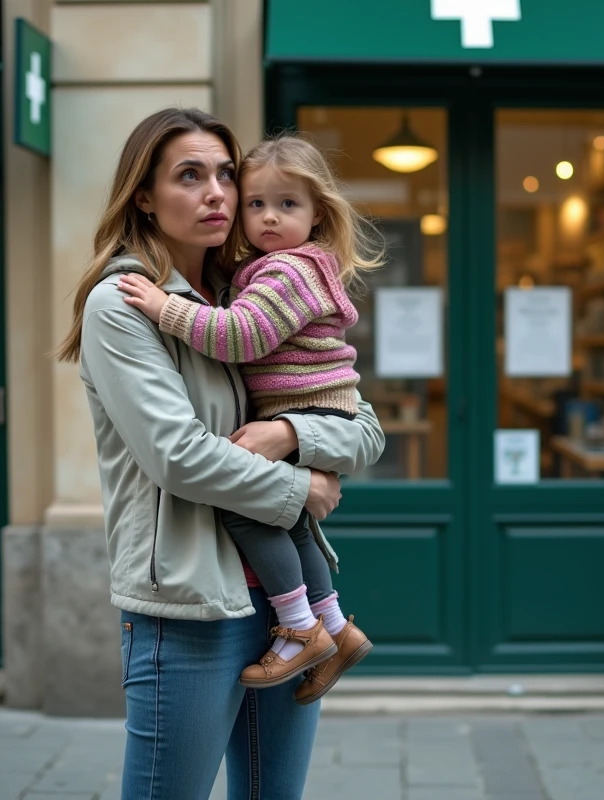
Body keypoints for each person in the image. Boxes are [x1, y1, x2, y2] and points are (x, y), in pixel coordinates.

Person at [54, 107, 385, 800]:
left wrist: (292, 435)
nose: (217, 193)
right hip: (191, 611)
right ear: (143, 195)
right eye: (189, 175)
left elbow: (362, 423)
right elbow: (178, 457)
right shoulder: (123, 304)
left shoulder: (253, 289)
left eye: (227, 175)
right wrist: (303, 489)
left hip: (290, 617)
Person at [117, 134, 381, 702]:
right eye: (258, 202)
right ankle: (332, 626)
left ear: (317, 215)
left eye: (287, 205)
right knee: (287, 516)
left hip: (305, 405)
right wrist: (299, 478)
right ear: (143, 196)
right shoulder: (244, 276)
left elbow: (245, 337)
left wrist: (168, 308)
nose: (263, 215)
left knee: (247, 507)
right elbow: (177, 455)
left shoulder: (283, 272)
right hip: (205, 588)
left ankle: (302, 627)